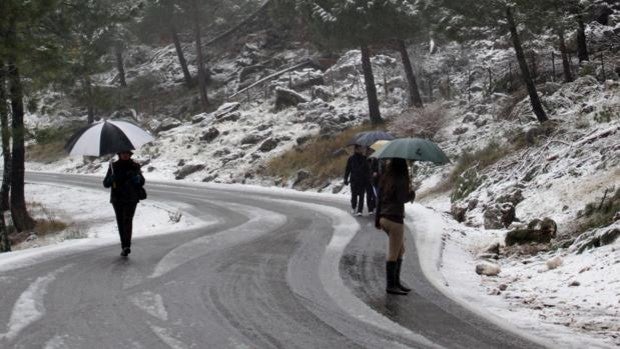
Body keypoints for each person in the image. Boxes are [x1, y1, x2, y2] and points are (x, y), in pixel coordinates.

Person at [375, 158, 415, 295]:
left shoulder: (386, 177)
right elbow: (401, 199)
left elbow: (379, 199)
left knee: (401, 250)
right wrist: (411, 194)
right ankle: (391, 285)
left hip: (384, 218)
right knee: (394, 253)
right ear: (403, 166)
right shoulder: (401, 179)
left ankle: (396, 283)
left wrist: (377, 219)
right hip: (395, 220)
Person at [103, 150, 145, 257]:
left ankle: (127, 246)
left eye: (127, 153)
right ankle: (124, 246)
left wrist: (138, 179)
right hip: (117, 198)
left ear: (130, 155)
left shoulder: (135, 165)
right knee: (121, 222)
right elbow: (106, 183)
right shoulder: (113, 166)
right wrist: (112, 179)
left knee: (127, 220)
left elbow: (142, 181)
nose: (125, 155)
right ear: (119, 155)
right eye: (123, 153)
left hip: (131, 198)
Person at [344, 145, 370, 216]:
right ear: (355, 150)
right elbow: (347, 169)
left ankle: (360, 211)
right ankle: (353, 206)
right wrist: (345, 178)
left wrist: (368, 179)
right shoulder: (351, 159)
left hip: (362, 180)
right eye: (358, 149)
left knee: (361, 196)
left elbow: (367, 170)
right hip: (354, 180)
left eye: (361, 149)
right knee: (354, 195)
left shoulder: (364, 158)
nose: (360, 150)